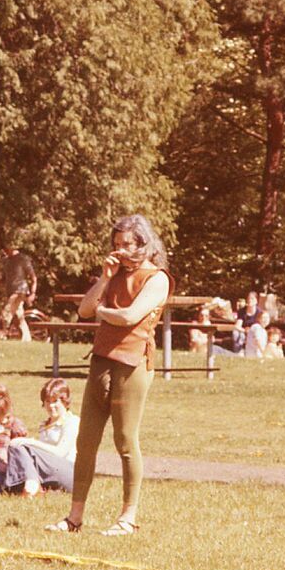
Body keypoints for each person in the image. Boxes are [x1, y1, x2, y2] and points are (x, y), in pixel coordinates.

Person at [48, 214, 171, 537]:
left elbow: (129, 316)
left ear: (143, 244)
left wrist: (101, 311)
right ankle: (74, 517)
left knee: (125, 440)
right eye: (116, 244)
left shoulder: (157, 278)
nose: (120, 250)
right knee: (86, 441)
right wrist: (104, 279)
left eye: (127, 244)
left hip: (132, 364)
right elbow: (83, 310)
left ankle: (127, 518)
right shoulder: (113, 274)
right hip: (102, 359)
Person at [5, 378, 79, 496]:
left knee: (22, 446)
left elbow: (60, 452)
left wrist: (31, 442)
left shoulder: (71, 421)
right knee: (16, 447)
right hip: (51, 472)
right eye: (47, 401)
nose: (51, 406)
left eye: (55, 401)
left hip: (70, 472)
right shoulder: (44, 425)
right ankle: (32, 486)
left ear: (65, 402)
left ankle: (31, 484)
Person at [0, 246, 37, 341]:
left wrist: (33, 293)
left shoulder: (23, 259)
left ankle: (3, 334)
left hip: (20, 291)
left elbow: (33, 277)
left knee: (7, 311)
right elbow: (4, 278)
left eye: (6, 248)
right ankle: (27, 338)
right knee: (18, 316)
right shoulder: (6, 261)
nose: (4, 251)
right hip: (10, 291)